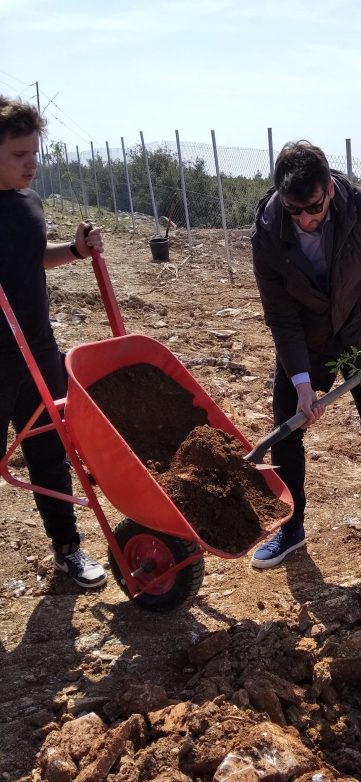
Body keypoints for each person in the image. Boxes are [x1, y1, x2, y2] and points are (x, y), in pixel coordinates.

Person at [249, 140, 361, 569]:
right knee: (287, 432)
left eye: (312, 207)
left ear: (329, 189)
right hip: (305, 346)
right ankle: (291, 529)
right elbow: (281, 315)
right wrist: (302, 382)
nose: (305, 220)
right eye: (295, 211)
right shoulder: (269, 232)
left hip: (360, 339)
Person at [0, 96, 106, 588]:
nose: (31, 163)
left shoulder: (28, 203)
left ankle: (68, 551)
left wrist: (76, 250)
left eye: (34, 152)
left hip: (37, 351)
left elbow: (31, 257)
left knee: (49, 454)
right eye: (19, 154)